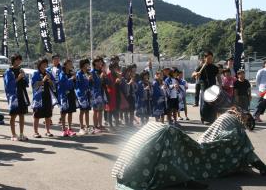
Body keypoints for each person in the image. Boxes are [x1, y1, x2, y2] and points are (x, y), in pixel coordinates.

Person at [112, 107, 265, 190]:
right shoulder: (237, 128)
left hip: (202, 143)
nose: (246, 124)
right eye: (247, 121)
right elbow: (247, 152)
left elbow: (212, 137)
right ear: (244, 117)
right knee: (169, 136)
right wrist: (261, 167)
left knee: (168, 137)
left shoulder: (226, 115)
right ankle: (184, 179)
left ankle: (183, 178)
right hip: (207, 150)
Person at [4, 54, 30, 141]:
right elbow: (8, 85)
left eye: (20, 60)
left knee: (22, 114)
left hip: (21, 94)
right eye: (17, 60)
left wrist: (24, 77)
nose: (18, 62)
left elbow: (26, 83)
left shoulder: (21, 70)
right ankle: (13, 134)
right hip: (13, 96)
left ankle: (21, 133)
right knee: (13, 115)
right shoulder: (9, 71)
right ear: (13, 61)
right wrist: (18, 78)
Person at [192, 51, 220, 124]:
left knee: (212, 102)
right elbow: (193, 74)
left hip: (212, 87)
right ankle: (203, 117)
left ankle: (212, 119)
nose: (210, 59)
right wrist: (196, 74)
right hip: (204, 87)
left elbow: (218, 76)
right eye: (208, 58)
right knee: (205, 103)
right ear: (205, 58)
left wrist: (220, 85)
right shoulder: (201, 67)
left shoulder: (215, 67)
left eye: (211, 58)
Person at [31, 58, 56, 138]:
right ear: (39, 64)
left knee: (48, 115)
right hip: (38, 97)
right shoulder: (35, 73)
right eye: (43, 63)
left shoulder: (48, 73)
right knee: (37, 115)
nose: (45, 65)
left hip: (47, 95)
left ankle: (48, 131)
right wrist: (43, 79)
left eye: (46, 63)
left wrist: (50, 81)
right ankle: (36, 132)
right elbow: (34, 85)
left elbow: (54, 84)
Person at [58, 59, 77, 137]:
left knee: (70, 112)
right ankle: (63, 129)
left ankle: (69, 129)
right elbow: (62, 84)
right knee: (63, 112)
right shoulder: (62, 73)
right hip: (64, 95)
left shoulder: (71, 73)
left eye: (71, 64)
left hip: (71, 93)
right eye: (69, 64)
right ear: (65, 65)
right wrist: (71, 79)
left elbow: (75, 84)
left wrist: (75, 79)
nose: (70, 65)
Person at [75, 59, 92, 135]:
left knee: (87, 111)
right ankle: (81, 127)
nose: (88, 65)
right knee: (82, 111)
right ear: (83, 65)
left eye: (88, 64)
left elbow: (90, 83)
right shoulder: (79, 73)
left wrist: (90, 80)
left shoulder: (88, 73)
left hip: (87, 93)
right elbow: (78, 85)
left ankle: (87, 126)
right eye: (87, 64)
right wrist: (87, 80)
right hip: (81, 94)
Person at [90, 56, 107, 133]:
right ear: (95, 63)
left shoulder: (101, 71)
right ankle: (95, 126)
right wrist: (101, 77)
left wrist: (104, 75)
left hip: (101, 92)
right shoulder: (92, 72)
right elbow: (95, 83)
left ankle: (100, 125)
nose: (100, 63)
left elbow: (105, 82)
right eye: (98, 61)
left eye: (101, 61)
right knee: (96, 110)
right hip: (95, 93)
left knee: (101, 110)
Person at [105, 63, 122, 130]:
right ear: (111, 68)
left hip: (116, 94)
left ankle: (116, 124)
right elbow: (108, 85)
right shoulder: (108, 75)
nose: (115, 69)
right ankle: (110, 125)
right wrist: (115, 82)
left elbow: (120, 81)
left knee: (116, 110)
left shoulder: (116, 74)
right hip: (110, 95)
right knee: (110, 110)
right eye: (114, 68)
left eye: (116, 68)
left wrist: (119, 79)